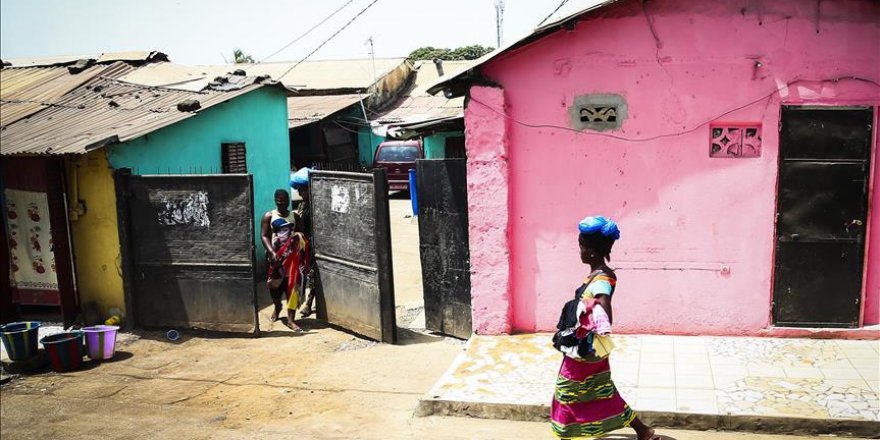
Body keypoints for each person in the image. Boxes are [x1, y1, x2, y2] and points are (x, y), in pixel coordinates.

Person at [550, 216, 657, 440]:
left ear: (590, 251)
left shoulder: (600, 280)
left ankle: (567, 434)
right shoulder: (600, 274)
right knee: (601, 389)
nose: (579, 252)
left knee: (567, 390)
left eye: (581, 247)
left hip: (585, 351)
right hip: (590, 349)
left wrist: (596, 322)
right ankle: (643, 430)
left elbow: (604, 306)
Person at [260, 188, 309, 332]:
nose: (281, 203)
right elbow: (264, 236)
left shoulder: (295, 216)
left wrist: (299, 244)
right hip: (275, 259)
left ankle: (291, 320)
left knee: (293, 289)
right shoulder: (269, 216)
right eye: (279, 200)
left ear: (288, 201)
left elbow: (300, 233)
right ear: (275, 201)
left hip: (292, 260)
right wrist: (271, 251)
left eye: (284, 200)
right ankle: (277, 306)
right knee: (275, 288)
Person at [289, 167, 319, 318]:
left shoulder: (317, 205)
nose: (300, 193)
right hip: (304, 243)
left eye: (302, 190)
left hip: (315, 244)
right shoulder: (302, 205)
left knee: (313, 274)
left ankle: (309, 302)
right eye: (299, 190)